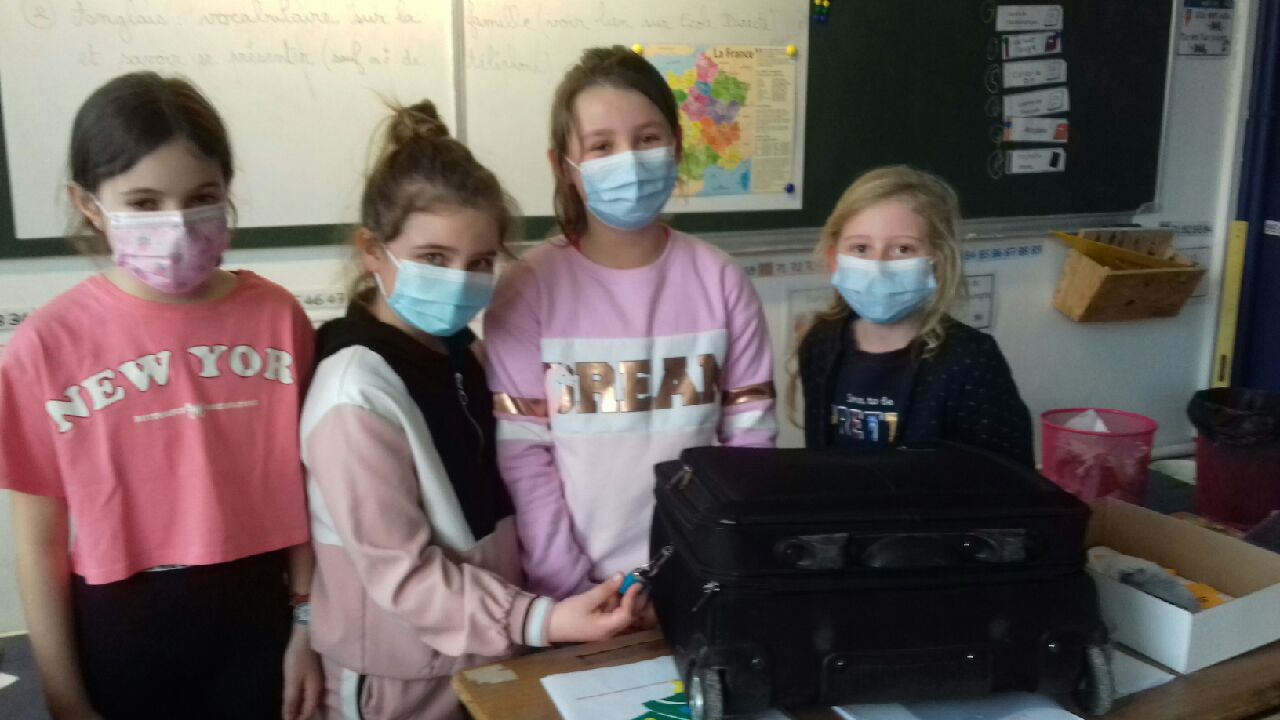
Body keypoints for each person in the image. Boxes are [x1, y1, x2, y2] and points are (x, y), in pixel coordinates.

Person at [302, 100, 641, 720]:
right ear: (372, 250)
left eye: (480, 263)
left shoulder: (467, 356)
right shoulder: (355, 394)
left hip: (487, 653)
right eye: (434, 258)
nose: (460, 281)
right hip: (399, 679)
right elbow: (404, 575)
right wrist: (540, 619)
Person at [0, 72, 321, 720]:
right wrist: (63, 695)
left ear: (227, 191)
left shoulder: (277, 318)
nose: (175, 223)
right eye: (144, 202)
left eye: (201, 197)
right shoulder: (45, 347)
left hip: (259, 613)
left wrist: (308, 627)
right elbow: (38, 544)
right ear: (89, 205)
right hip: (124, 625)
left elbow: (309, 488)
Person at [484, 46, 778, 600]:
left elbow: (749, 441)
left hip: (704, 580)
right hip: (577, 596)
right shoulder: (527, 289)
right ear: (564, 167)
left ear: (677, 146)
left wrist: (716, 564)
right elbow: (524, 457)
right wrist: (571, 589)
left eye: (647, 138)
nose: (630, 161)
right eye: (602, 146)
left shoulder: (721, 279)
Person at [793, 165, 1033, 464]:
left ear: (937, 261)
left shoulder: (971, 359)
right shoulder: (820, 343)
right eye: (861, 248)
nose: (878, 266)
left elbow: (1009, 476)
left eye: (903, 249)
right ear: (834, 259)